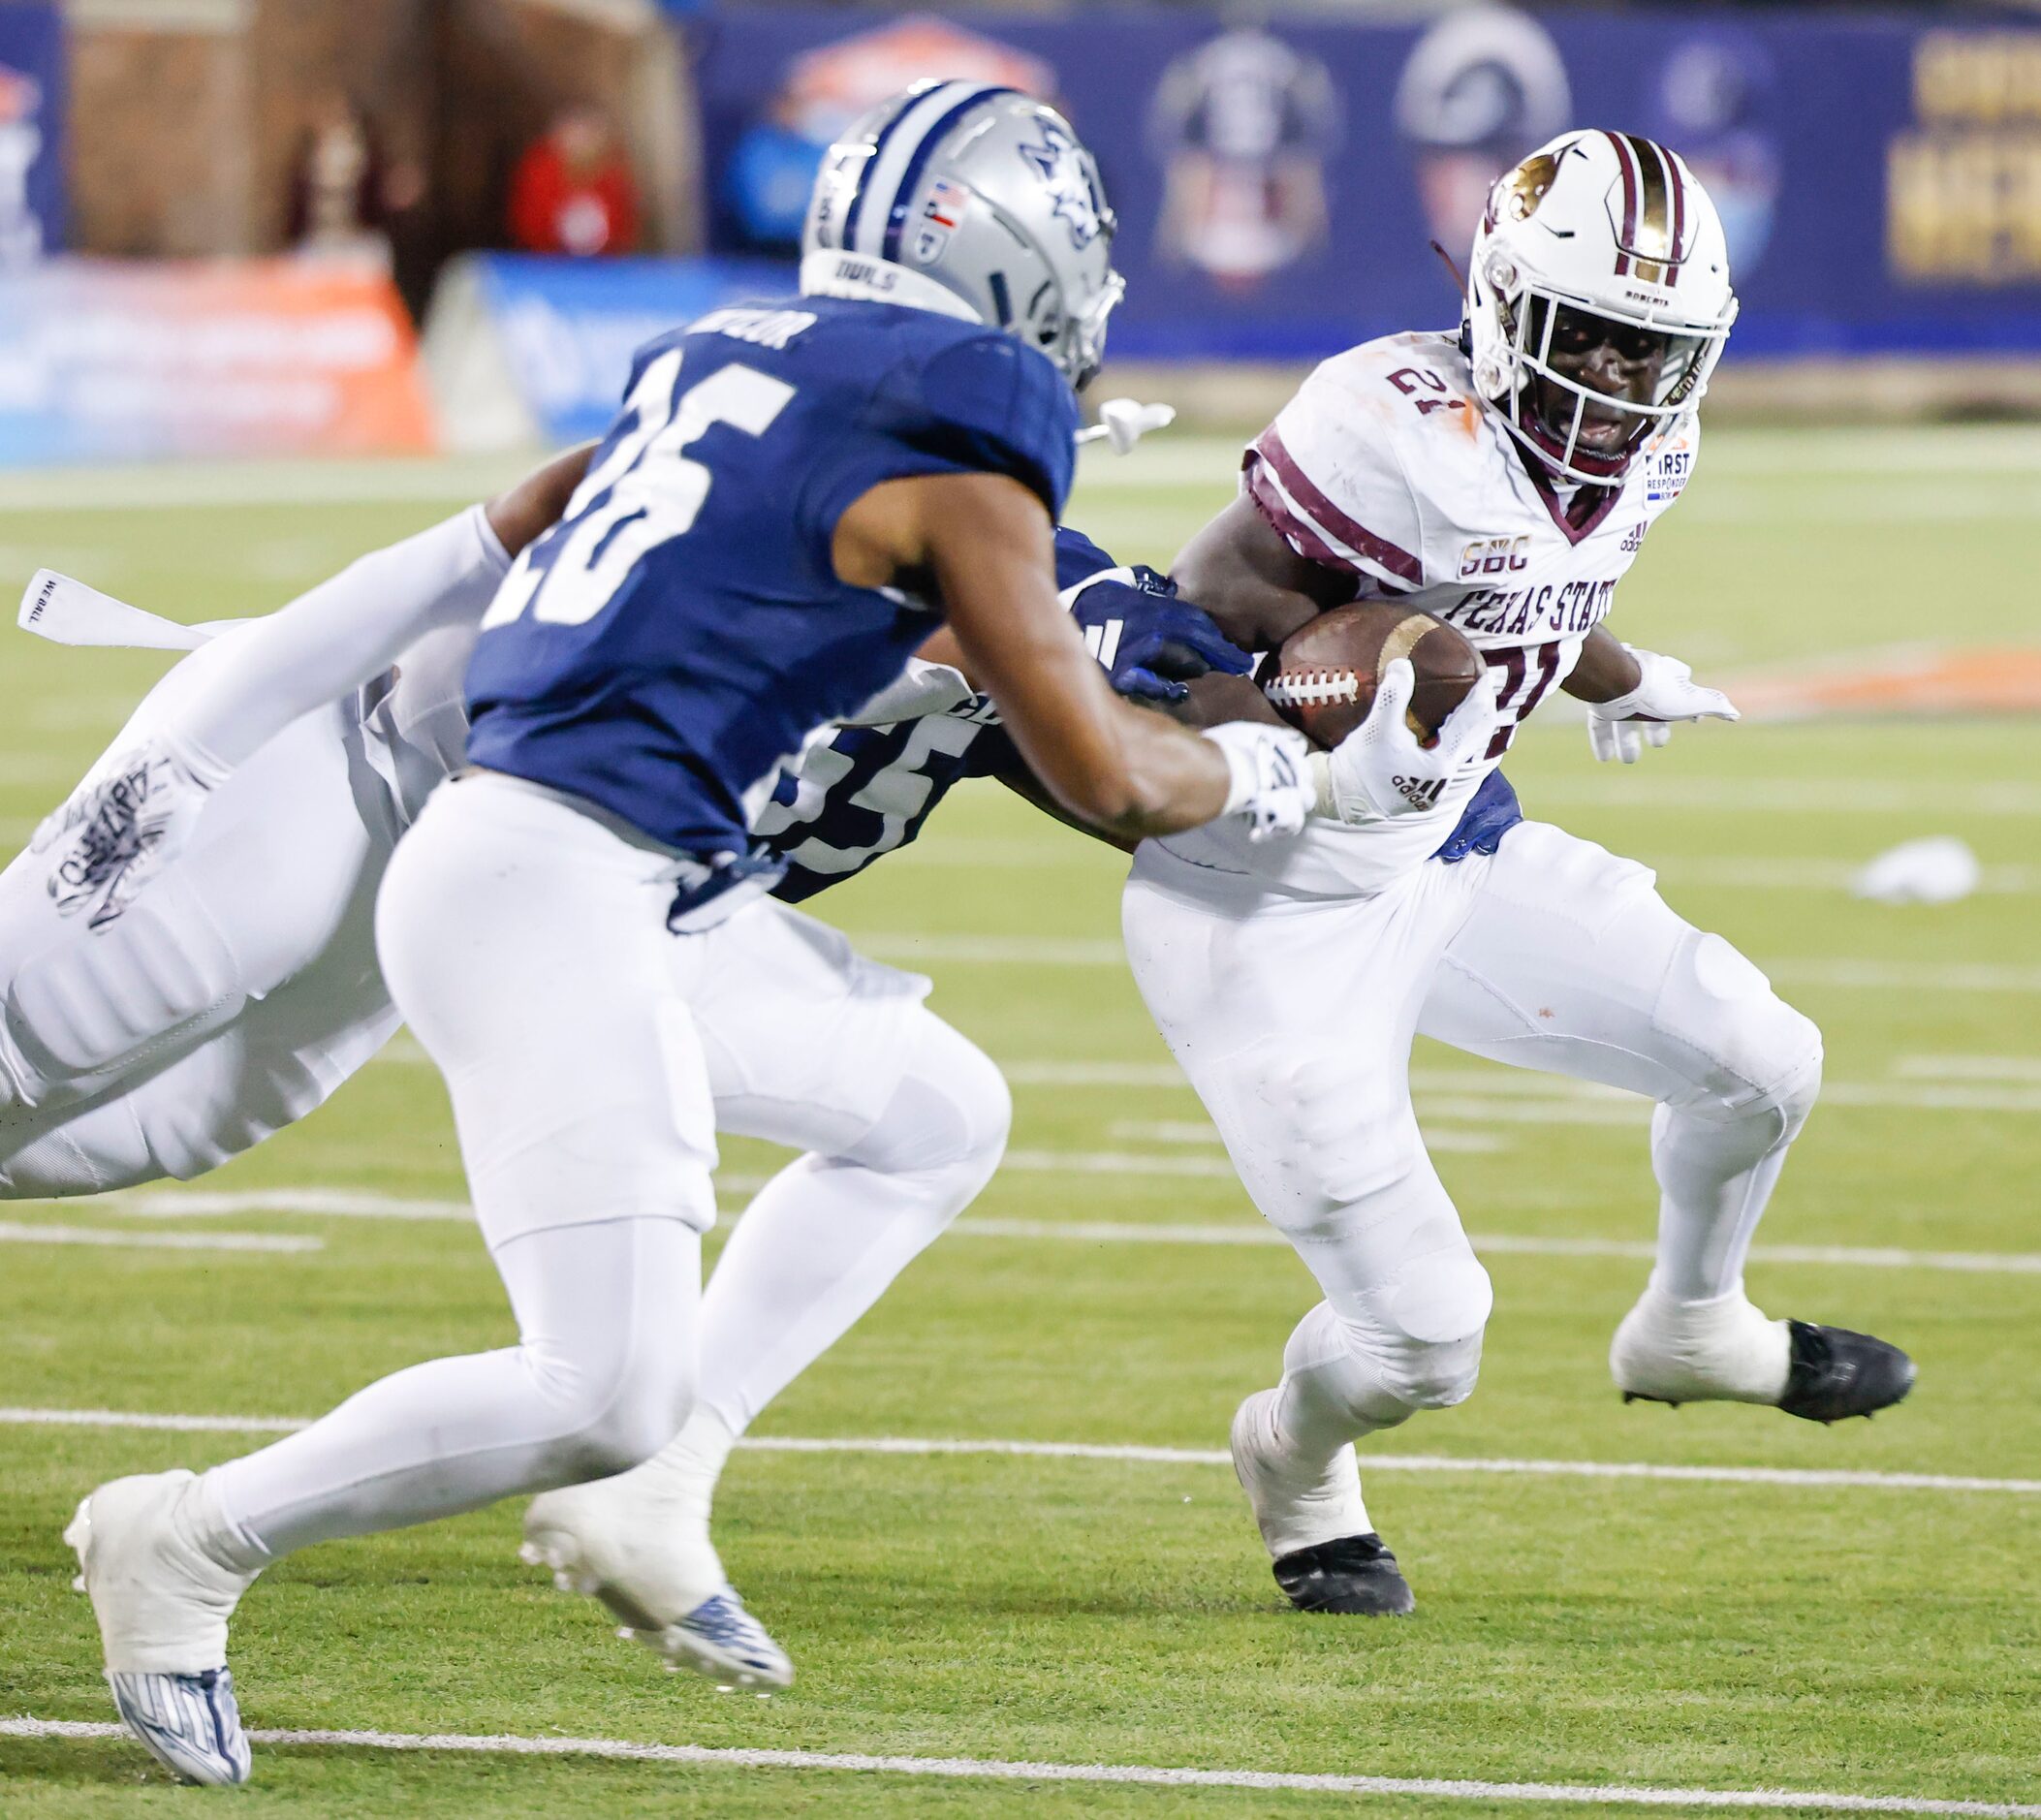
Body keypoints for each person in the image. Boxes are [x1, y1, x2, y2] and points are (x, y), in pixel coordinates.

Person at [49, 82, 1417, 1788]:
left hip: (594, 870)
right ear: (1018, 271)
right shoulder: (965, 427)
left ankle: (638, 1491)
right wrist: (1277, 771)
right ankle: (186, 1538)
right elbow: (1113, 774)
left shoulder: (738, 353)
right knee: (591, 1371)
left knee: (913, 1122)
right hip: (523, 854)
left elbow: (580, 539)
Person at [1120, 130, 1915, 1617]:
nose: (1621, 381)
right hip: (1264, 900)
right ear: (1497, 296)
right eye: (1595, 338)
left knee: (1762, 1056)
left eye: (1653, 349)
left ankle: (1691, 1323)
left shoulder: (1649, 446)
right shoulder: (1385, 425)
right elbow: (1183, 633)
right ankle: (1293, 1460)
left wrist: (1613, 675)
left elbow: (1526, 595)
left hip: (1448, 842)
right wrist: (1322, 703)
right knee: (1426, 1338)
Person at [506, 106, 640, 258]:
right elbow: (525, 225)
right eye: (575, 133)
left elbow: (624, 228)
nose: (580, 143)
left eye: (589, 134)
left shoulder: (614, 177)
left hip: (601, 269)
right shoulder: (538, 171)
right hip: (544, 265)